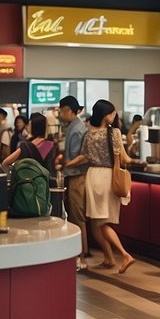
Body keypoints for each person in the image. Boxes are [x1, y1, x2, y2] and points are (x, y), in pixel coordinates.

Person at [65, 99, 134, 275]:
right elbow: (125, 159)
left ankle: (116, 256)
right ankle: (118, 256)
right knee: (102, 222)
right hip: (109, 177)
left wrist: (67, 164)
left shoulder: (89, 134)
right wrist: (136, 158)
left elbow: (84, 157)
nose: (114, 116)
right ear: (105, 115)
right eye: (112, 113)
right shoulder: (115, 133)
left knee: (97, 222)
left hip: (93, 176)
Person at [58, 96, 90, 267]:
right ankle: (79, 254)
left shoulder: (77, 128)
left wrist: (66, 163)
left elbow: (82, 156)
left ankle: (82, 256)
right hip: (73, 175)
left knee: (78, 217)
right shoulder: (74, 126)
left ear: (69, 110)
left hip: (77, 176)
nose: (61, 114)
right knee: (74, 216)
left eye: (62, 111)